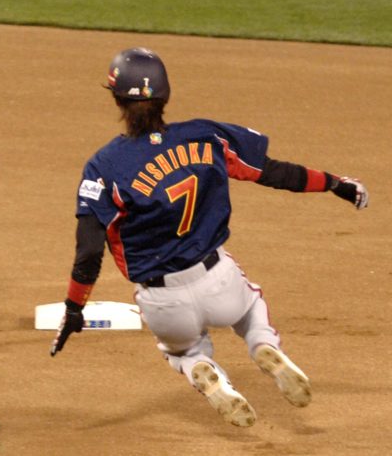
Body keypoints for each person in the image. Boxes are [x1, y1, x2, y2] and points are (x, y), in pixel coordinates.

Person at [49, 48, 369, 427]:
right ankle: (263, 344)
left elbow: (88, 252)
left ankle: (202, 367)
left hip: (162, 301)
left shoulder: (104, 165)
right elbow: (273, 172)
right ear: (165, 95)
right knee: (250, 309)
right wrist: (334, 184)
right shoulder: (206, 136)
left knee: (181, 351)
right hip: (219, 281)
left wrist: (73, 309)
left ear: (116, 98)